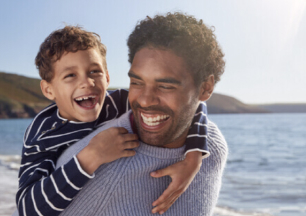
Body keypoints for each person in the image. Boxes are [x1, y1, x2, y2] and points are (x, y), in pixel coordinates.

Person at [16, 26, 211, 215]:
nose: (87, 82)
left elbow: (191, 103)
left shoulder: (120, 102)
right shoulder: (43, 133)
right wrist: (92, 156)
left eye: (95, 72)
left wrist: (194, 157)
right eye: (70, 75)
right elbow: (28, 208)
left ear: (107, 78)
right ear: (48, 90)